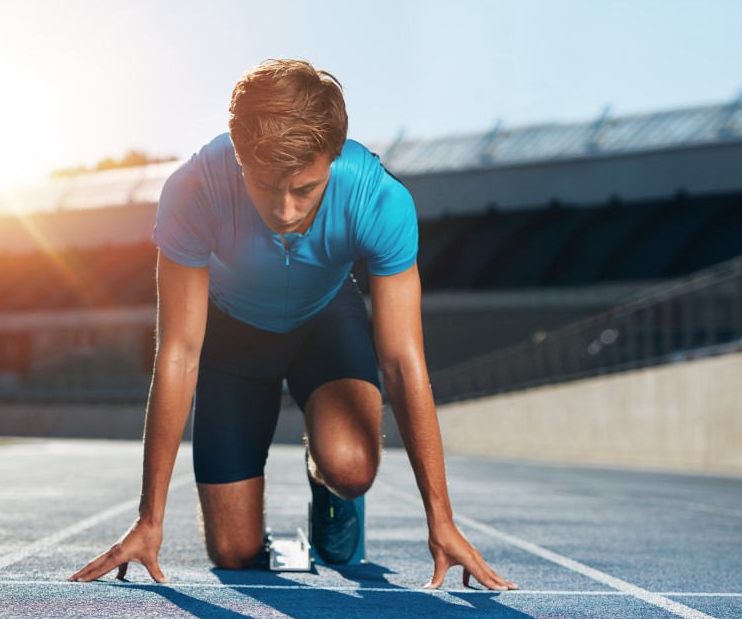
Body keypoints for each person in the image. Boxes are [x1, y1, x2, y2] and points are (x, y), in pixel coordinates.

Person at [70, 59, 517, 591]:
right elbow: (178, 355)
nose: (284, 210)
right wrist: (150, 518)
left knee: (350, 466)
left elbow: (402, 361)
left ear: (333, 157)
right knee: (233, 553)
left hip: (325, 322)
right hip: (233, 338)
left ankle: (326, 480)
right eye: (265, 186)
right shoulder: (193, 190)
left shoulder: (379, 199)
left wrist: (440, 521)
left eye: (304, 189)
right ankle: (271, 520)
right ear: (239, 159)